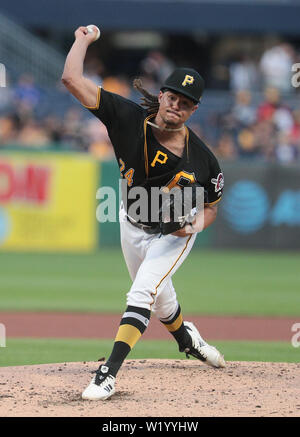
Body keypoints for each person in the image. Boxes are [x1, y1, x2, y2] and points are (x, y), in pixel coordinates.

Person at [61, 26, 226, 401]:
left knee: (141, 292)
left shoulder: (203, 160)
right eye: (173, 96)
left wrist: (194, 224)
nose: (176, 105)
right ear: (162, 94)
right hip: (131, 223)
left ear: (194, 109)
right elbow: (71, 78)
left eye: (186, 102)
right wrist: (83, 39)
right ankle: (187, 339)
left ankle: (107, 373)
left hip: (173, 234)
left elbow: (212, 207)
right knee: (161, 299)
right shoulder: (126, 117)